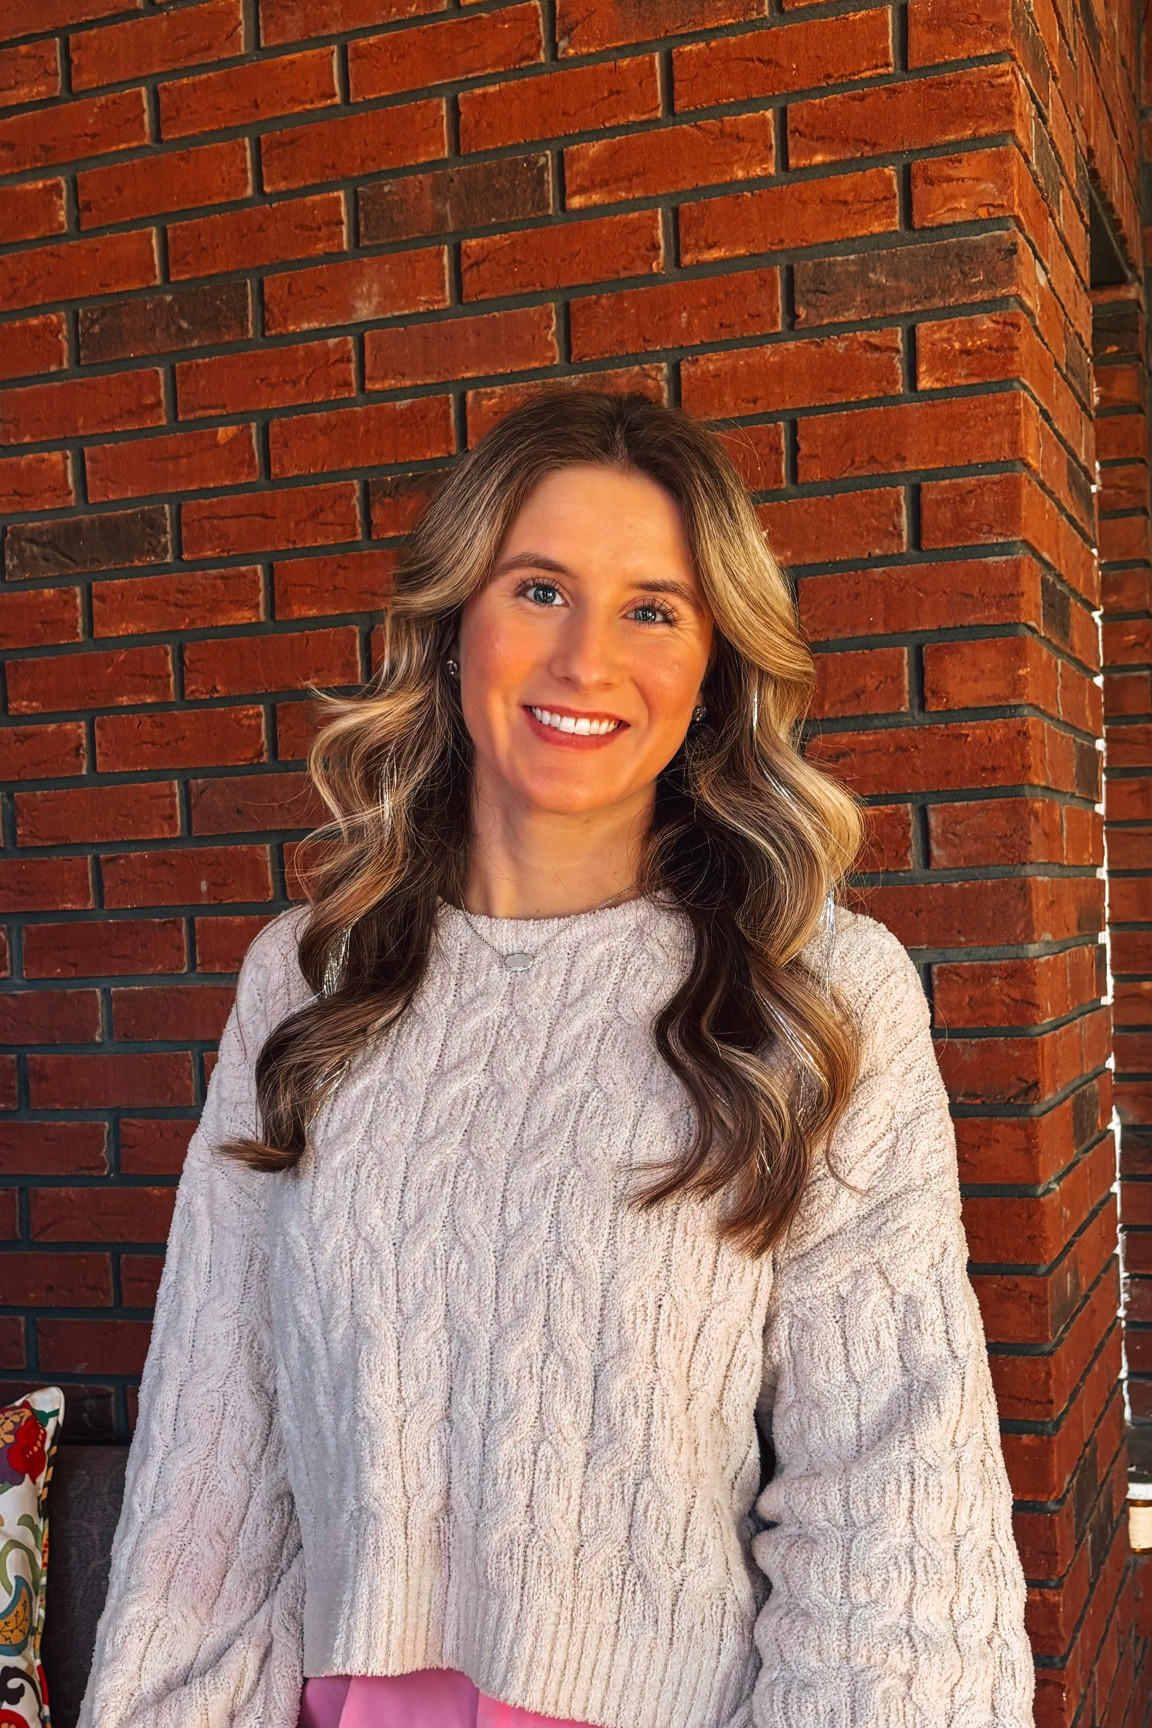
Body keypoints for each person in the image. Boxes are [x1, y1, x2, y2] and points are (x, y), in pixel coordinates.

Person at [77, 389, 1035, 1728]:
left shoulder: (816, 995)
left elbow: (894, 1496)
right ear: (456, 622)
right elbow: (209, 1461)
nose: (587, 657)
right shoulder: (308, 982)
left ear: (712, 664)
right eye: (539, 589)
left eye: (652, 607)